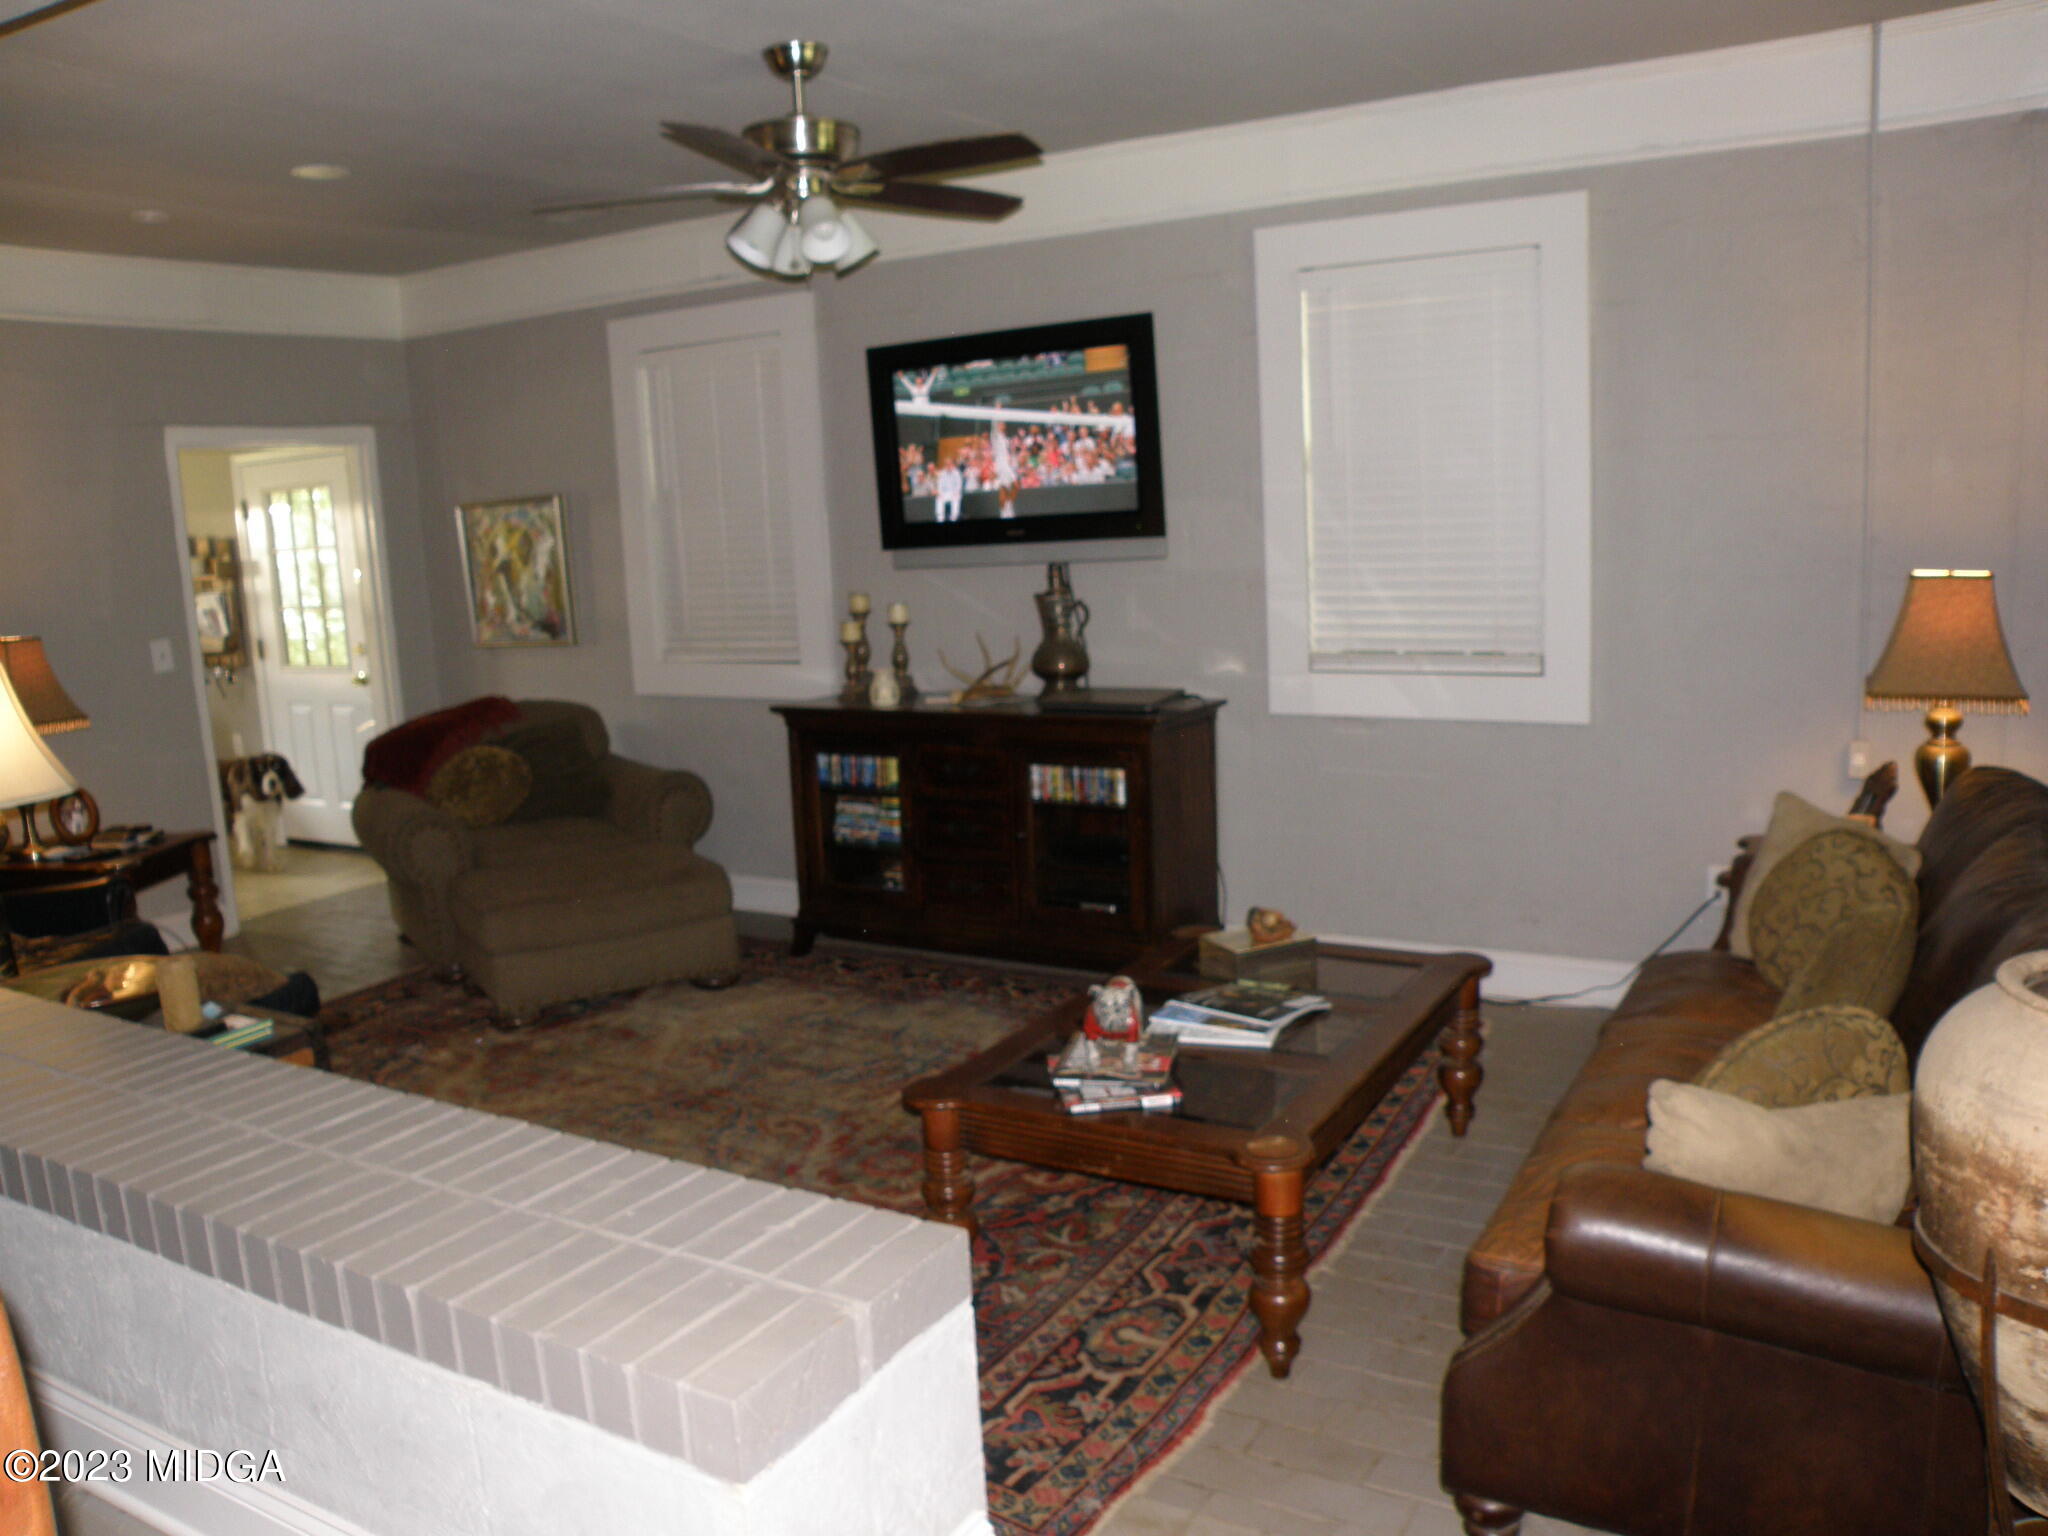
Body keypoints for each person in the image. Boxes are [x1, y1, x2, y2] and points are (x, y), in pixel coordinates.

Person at [935, 458, 964, 523]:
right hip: (945, 493)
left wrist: (956, 492)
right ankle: (940, 518)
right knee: (938, 498)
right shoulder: (942, 473)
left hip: (954, 493)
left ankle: (954, 517)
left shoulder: (957, 473)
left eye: (949, 464)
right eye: (946, 464)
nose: (948, 465)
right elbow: (940, 485)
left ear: (952, 464)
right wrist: (940, 493)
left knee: (956, 498)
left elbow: (959, 485)